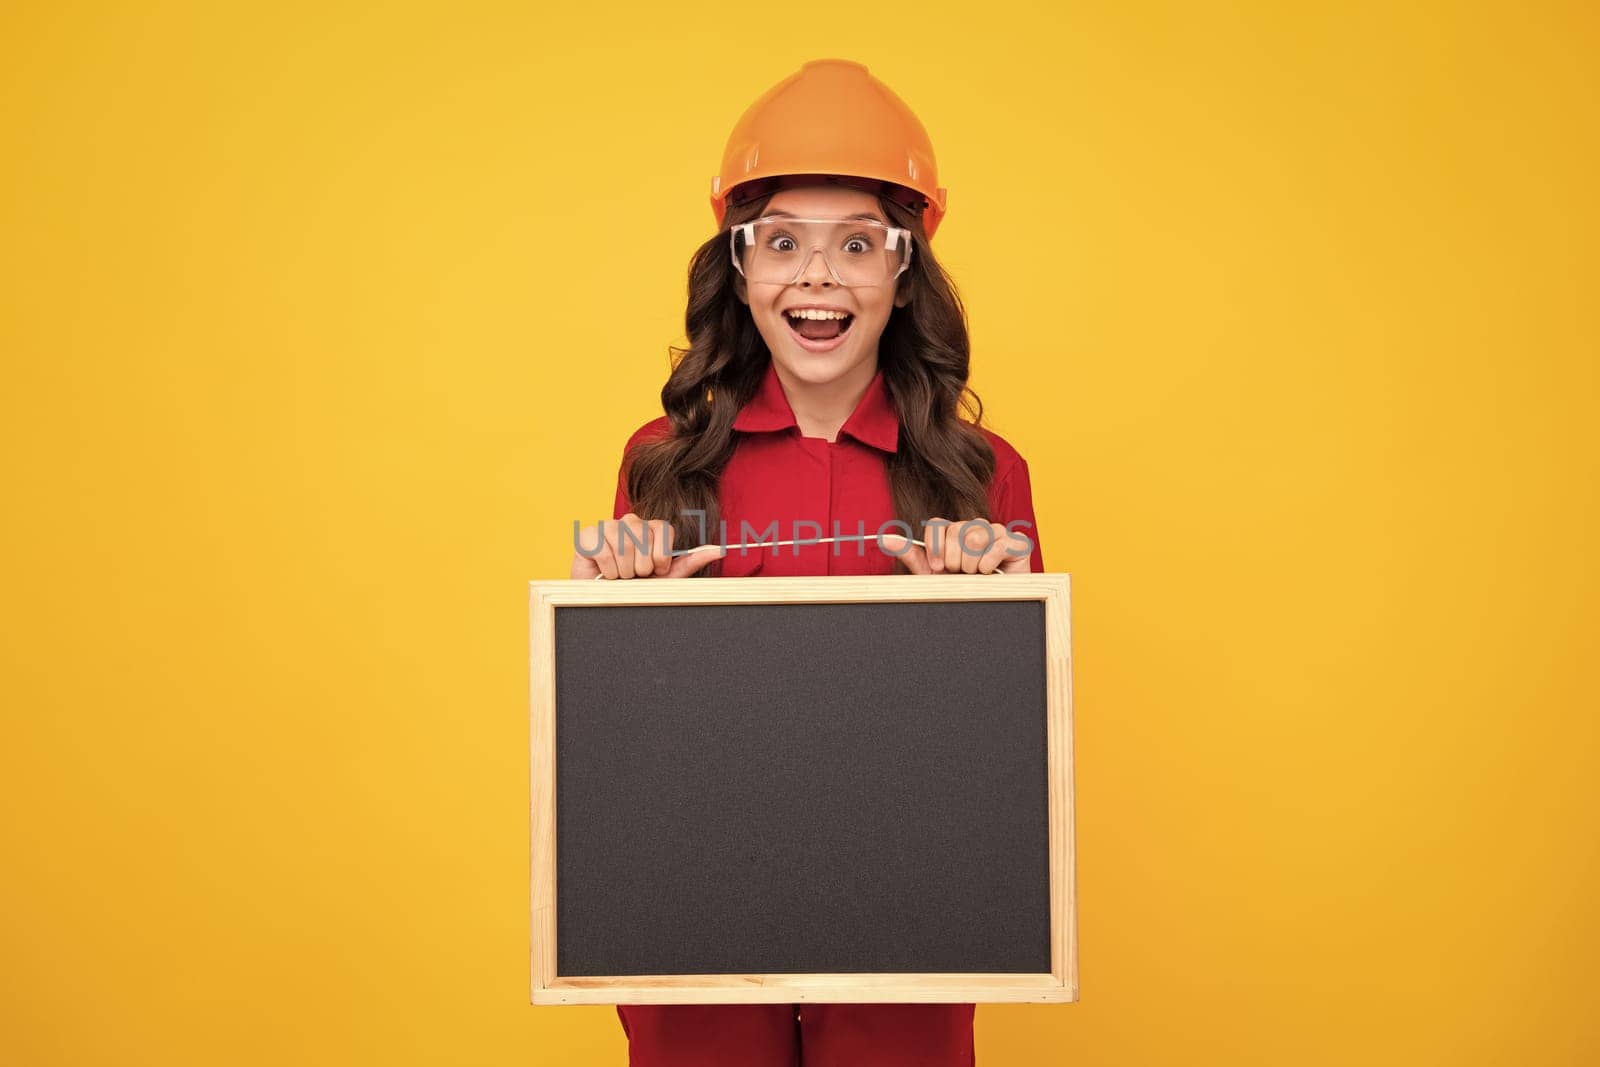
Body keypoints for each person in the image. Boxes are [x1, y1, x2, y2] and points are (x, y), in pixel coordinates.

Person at [568, 58, 1046, 1067]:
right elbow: (626, 753)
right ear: (739, 270)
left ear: (901, 270)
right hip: (698, 913)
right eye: (782, 242)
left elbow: (1002, 762)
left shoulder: (984, 475)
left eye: (856, 246)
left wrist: (984, 607)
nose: (817, 275)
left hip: (908, 917)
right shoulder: (658, 461)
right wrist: (616, 602)